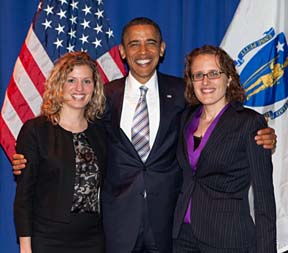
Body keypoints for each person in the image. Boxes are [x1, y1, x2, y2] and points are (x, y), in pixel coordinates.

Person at [12, 18, 277, 253]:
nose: (143, 51)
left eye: (151, 43)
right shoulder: (104, 96)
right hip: (115, 226)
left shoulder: (184, 94)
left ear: (161, 49)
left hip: (169, 225)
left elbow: (221, 118)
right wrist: (28, 161)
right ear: (123, 52)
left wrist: (263, 132)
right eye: (134, 44)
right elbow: (73, 141)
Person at [172, 45, 276, 253]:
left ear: (228, 79)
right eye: (198, 75)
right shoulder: (184, 119)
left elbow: (264, 198)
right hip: (182, 237)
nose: (205, 81)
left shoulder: (249, 122)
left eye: (213, 73)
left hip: (228, 238)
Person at [13, 52, 107, 253]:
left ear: (95, 88)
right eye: (71, 80)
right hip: (48, 238)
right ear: (58, 85)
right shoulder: (36, 130)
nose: (79, 88)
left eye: (86, 81)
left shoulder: (101, 132)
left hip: (92, 239)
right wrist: (25, 246)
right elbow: (23, 196)